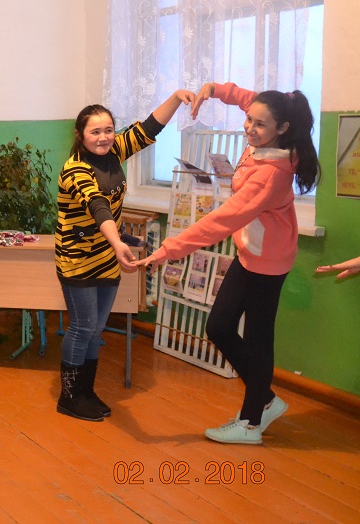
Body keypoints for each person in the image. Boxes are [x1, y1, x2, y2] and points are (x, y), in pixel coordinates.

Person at [135, 82, 320, 445]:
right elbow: (249, 100)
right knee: (219, 326)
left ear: (282, 129)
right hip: (251, 252)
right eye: (249, 120)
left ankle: (251, 424)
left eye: (260, 125)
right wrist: (215, 89)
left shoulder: (271, 174)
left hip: (268, 260)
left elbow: (221, 221)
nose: (250, 128)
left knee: (258, 338)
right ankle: (265, 400)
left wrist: (167, 250)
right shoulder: (268, 130)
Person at [55, 89, 194, 423]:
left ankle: (87, 392)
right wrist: (118, 242)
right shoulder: (75, 170)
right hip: (78, 258)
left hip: (108, 254)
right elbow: (97, 205)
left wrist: (176, 98)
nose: (103, 137)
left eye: (108, 130)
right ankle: (69, 397)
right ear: (80, 135)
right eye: (95, 131)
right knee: (83, 327)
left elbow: (148, 129)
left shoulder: (114, 150)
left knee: (96, 328)